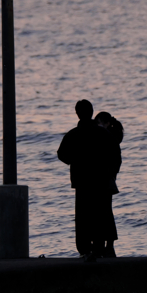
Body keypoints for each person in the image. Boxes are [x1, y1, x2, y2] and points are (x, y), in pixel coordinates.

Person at [57, 100, 120, 259]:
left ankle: (85, 249)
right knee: (100, 214)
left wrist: (75, 161)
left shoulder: (73, 134)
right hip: (101, 181)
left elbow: (62, 154)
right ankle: (99, 248)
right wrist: (111, 174)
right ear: (92, 112)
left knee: (83, 217)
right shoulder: (103, 133)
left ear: (77, 114)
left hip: (82, 182)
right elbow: (115, 155)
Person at [94, 111, 123, 257]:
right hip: (108, 180)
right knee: (106, 213)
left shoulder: (108, 139)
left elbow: (114, 161)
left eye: (99, 123)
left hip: (103, 180)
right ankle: (108, 246)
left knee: (103, 213)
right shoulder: (113, 139)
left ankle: (107, 246)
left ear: (105, 124)